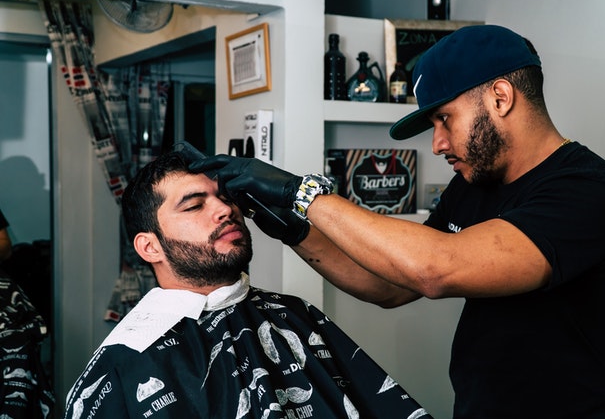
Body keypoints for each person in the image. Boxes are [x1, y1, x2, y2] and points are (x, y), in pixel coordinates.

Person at [190, 25, 605, 418]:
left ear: (501, 97)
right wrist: (294, 228)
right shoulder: (475, 185)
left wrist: (301, 192)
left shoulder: (589, 192)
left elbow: (434, 269)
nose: (437, 144)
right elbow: (392, 284)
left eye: (444, 119)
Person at [63, 147, 430, 419]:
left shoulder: (294, 314)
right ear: (149, 247)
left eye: (226, 198)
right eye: (194, 206)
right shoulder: (120, 364)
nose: (225, 210)